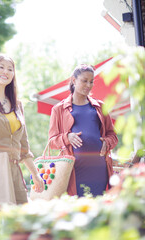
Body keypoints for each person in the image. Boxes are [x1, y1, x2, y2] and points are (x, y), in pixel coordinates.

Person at [0, 54, 44, 208]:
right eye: (1, 67)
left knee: (19, 222)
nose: (6, 72)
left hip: (15, 171)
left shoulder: (17, 105)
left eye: (10, 69)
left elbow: (24, 146)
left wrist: (36, 175)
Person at [48, 64, 118, 197]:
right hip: (74, 172)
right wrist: (67, 137)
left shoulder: (100, 107)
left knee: (100, 209)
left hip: (99, 170)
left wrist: (106, 142)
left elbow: (113, 136)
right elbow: (52, 142)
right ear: (73, 80)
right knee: (77, 211)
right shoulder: (58, 109)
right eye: (84, 81)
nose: (89, 85)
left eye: (91, 81)